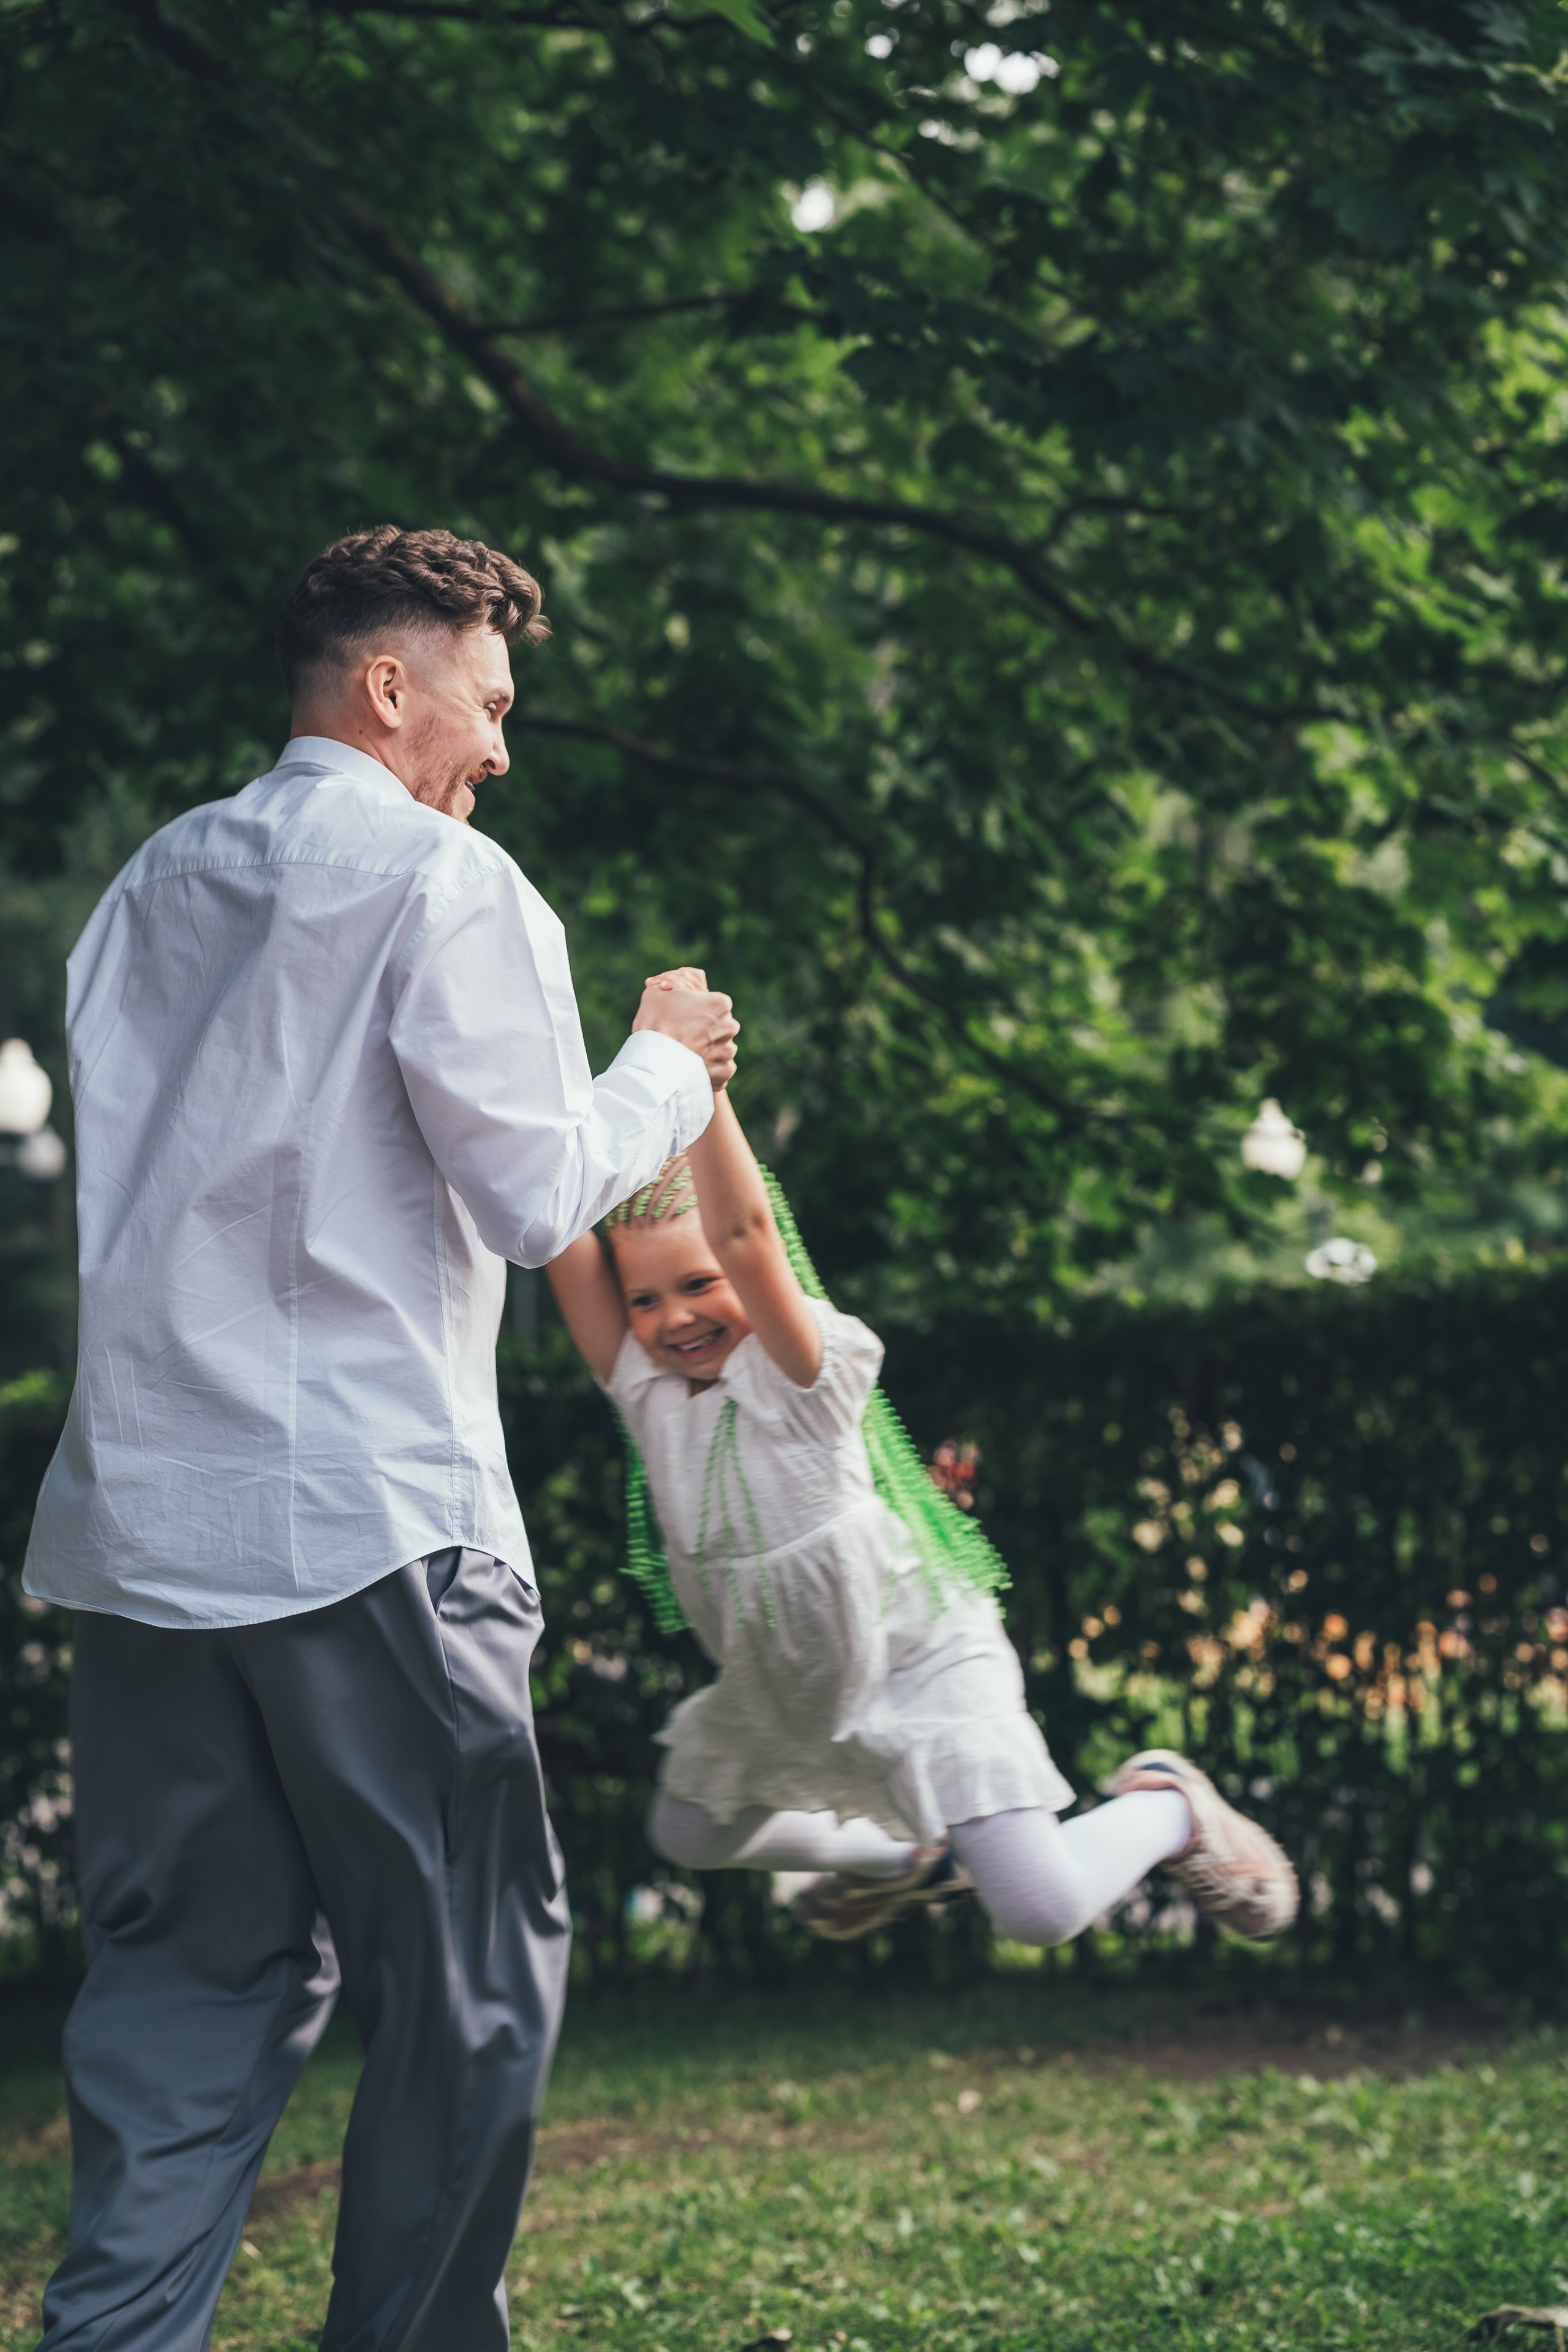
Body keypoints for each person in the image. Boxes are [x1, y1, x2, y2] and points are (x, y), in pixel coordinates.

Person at [22, 527, 739, 2352]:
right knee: (470, 1985)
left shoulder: (148, 889)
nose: (501, 750)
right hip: (373, 1527)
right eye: (490, 705)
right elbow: (531, 1197)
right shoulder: (450, 885)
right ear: (392, 683)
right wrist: (662, 1058)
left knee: (182, 1989)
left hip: (146, 1534)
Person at [547, 1039, 1298, 1951]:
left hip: (920, 1660)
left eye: (700, 1284)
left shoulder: (798, 1385)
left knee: (1042, 1910)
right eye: (646, 1300)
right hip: (795, 1689)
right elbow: (552, 1225)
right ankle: (904, 1858)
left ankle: (1172, 1811)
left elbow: (745, 1232)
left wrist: (700, 1085)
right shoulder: (651, 1396)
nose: (674, 1319)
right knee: (687, 1831)